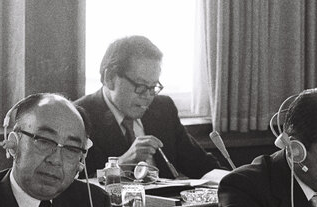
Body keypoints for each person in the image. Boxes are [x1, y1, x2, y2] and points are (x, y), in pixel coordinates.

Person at [75, 35, 221, 178]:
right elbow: (74, 184)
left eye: (153, 87)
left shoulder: (163, 109)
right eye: (141, 86)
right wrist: (121, 164)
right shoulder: (79, 117)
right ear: (110, 78)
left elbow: (203, 165)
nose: (148, 96)